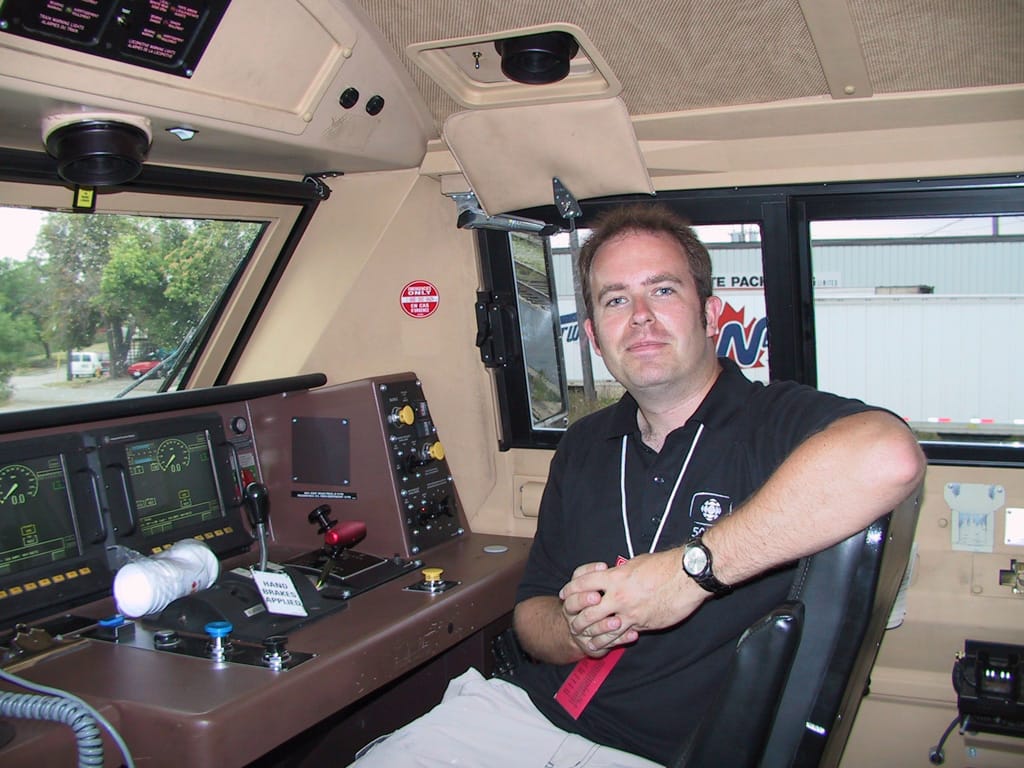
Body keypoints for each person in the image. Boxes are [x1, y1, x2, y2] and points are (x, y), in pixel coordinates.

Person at [349, 203, 926, 767]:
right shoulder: (582, 445)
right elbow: (531, 614)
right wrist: (577, 632)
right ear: (597, 337)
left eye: (664, 290)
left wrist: (691, 572)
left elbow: (890, 455)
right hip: (521, 716)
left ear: (711, 314)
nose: (641, 316)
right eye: (616, 300)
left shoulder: (772, 422)